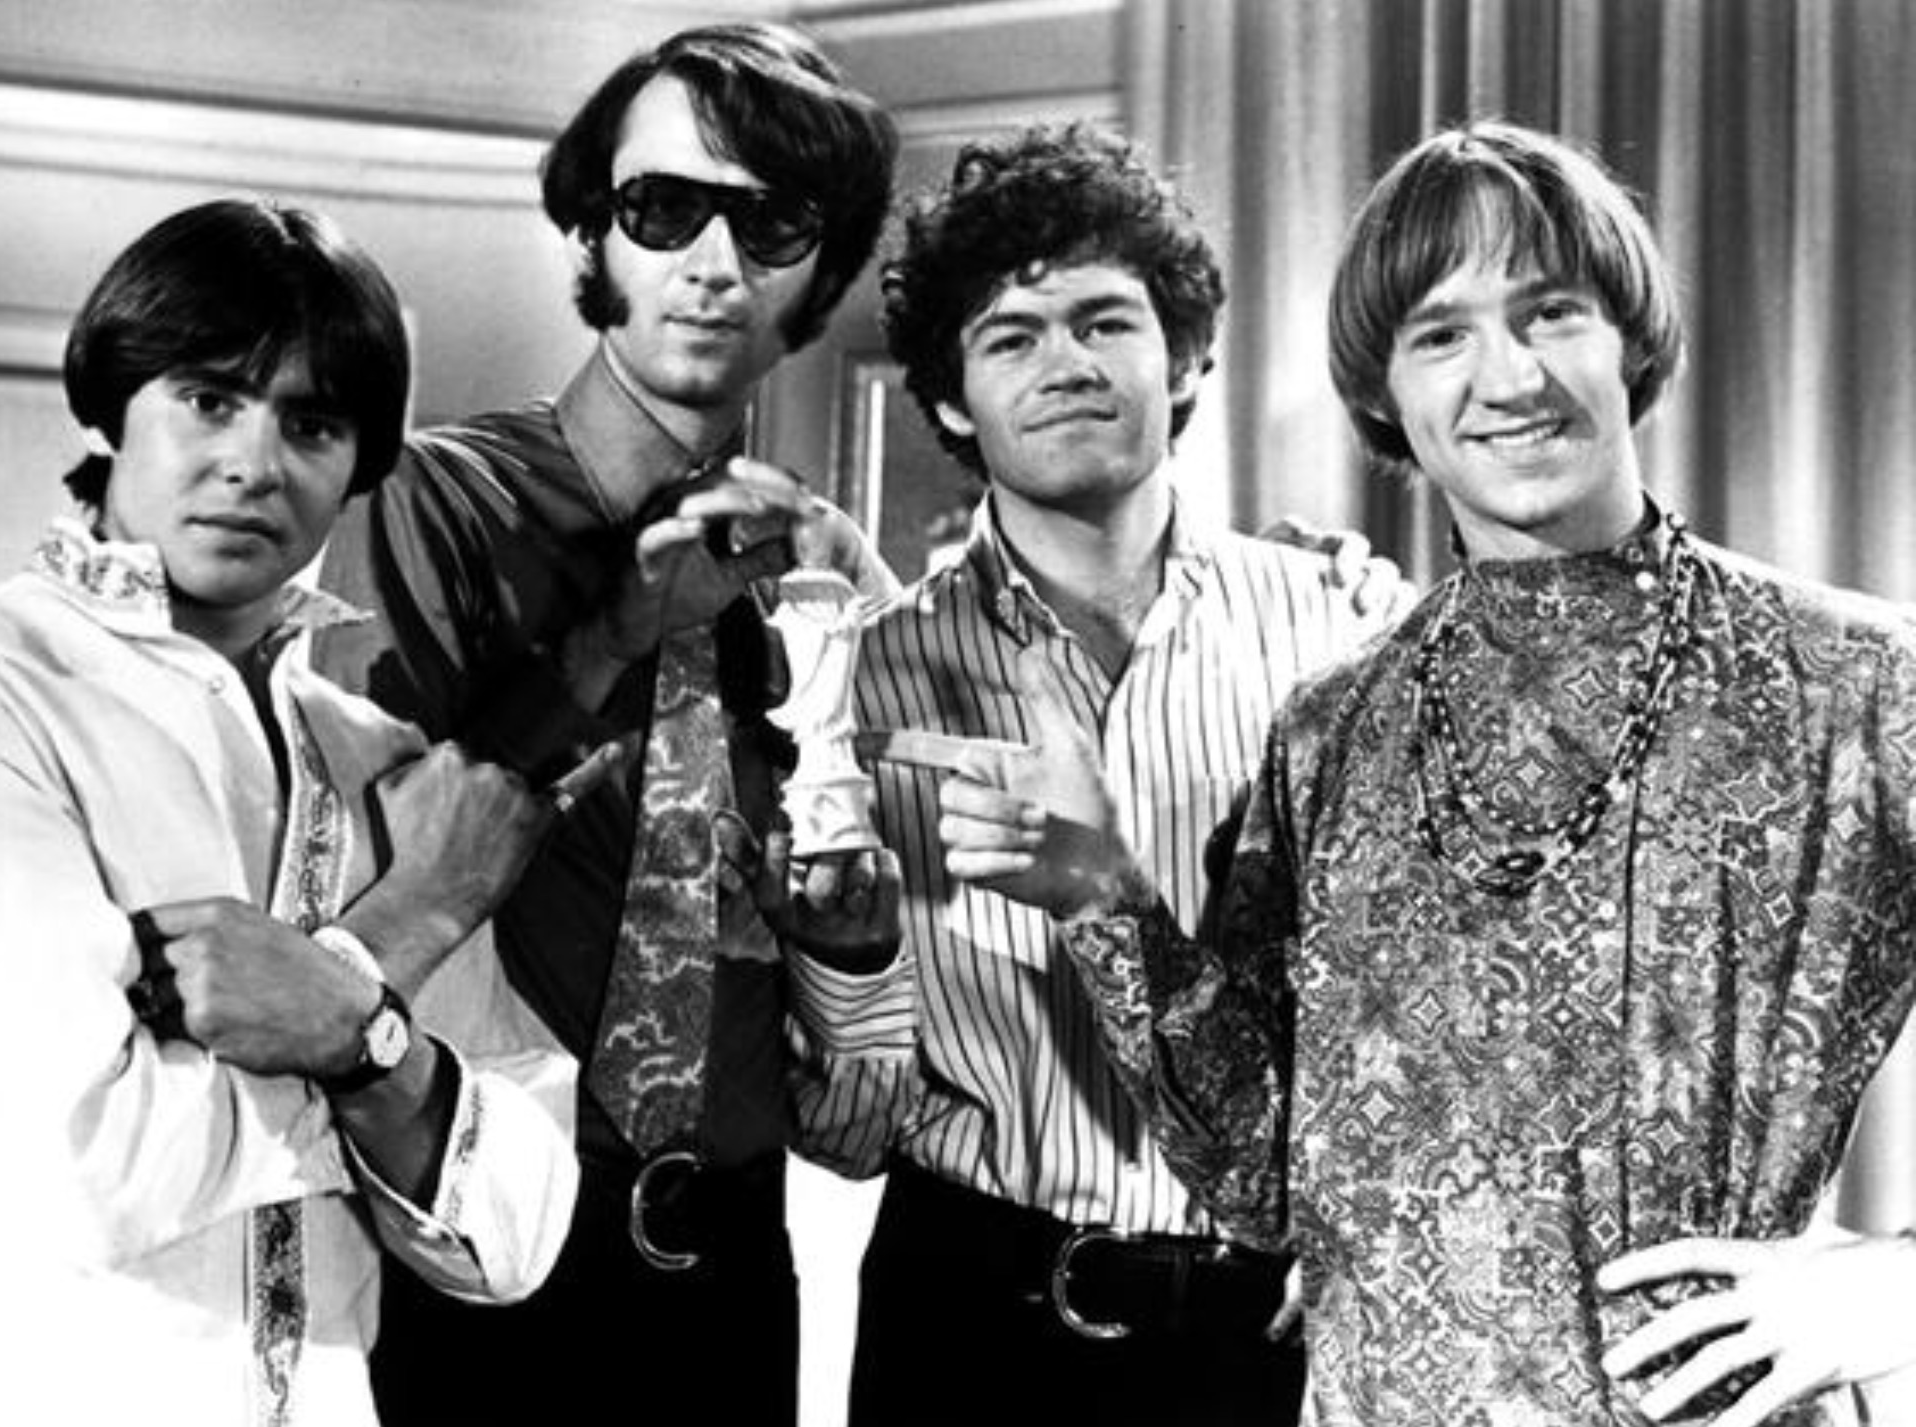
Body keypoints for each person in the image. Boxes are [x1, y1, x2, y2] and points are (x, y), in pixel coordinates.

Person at [905, 120, 1916, 1425]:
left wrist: (1896, 1282)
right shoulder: (1330, 729)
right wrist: (1103, 894)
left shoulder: (1855, 682)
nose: (1510, 375)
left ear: (1629, 339)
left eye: (1551, 312)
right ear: (1384, 392)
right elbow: (1261, 1177)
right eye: (1442, 334)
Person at [0, 198, 594, 1427]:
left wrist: (340, 1025)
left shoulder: (377, 758)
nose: (256, 463)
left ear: (358, 462)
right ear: (110, 408)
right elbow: (89, 1165)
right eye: (208, 399)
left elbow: (512, 1229)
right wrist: (401, 947)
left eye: (311, 423)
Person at [311, 22, 906, 1427]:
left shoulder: (826, 570)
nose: (715, 263)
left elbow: (874, 926)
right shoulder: (433, 501)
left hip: (734, 1251)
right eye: (663, 208)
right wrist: (611, 633)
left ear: (819, 267)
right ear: (592, 232)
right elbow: (389, 870)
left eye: (769, 222)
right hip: (488, 1222)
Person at [792, 123, 1398, 1427]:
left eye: (1104, 320)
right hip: (970, 1319)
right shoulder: (858, 688)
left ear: (1183, 357)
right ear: (950, 399)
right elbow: (844, 1125)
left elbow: (1406, 1008)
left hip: (1270, 1328)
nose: (1064, 361)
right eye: (1010, 336)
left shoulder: (1343, 632)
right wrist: (842, 962)